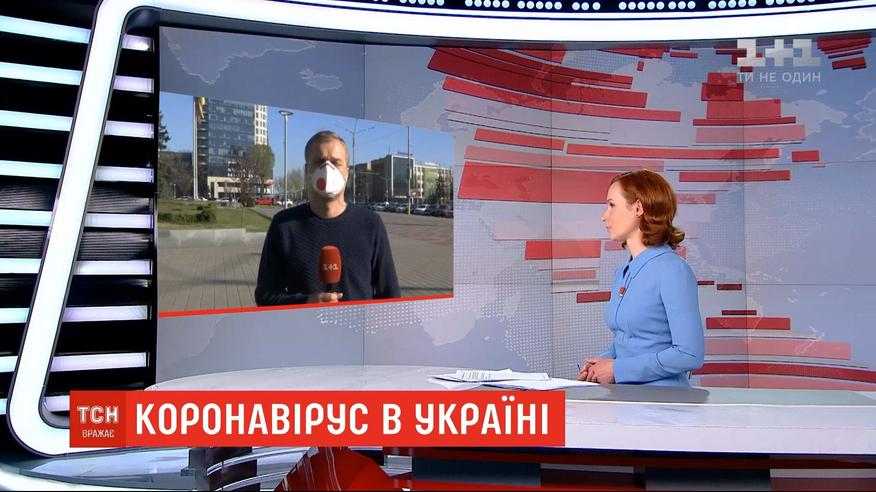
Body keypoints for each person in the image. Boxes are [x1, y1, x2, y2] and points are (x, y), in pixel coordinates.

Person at [578, 169, 704, 386]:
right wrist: (600, 364)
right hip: (626, 397)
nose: (604, 215)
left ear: (638, 208)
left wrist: (617, 369)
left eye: (612, 205)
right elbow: (629, 340)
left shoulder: (672, 270)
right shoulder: (623, 272)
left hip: (662, 401)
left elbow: (689, 354)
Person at [255, 130, 400, 305]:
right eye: (319, 162)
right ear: (307, 170)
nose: (327, 169)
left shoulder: (371, 224)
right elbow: (265, 296)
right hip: (305, 323)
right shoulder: (284, 225)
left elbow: (391, 296)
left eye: (336, 162)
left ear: (347, 172)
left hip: (358, 324)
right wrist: (306, 302)